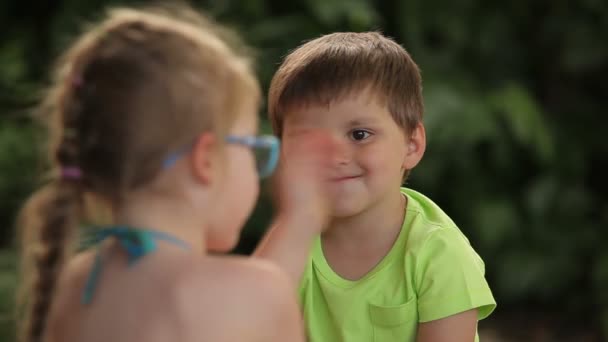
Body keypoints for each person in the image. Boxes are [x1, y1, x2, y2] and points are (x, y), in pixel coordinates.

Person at [17, 6, 336, 342]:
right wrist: (303, 217)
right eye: (252, 146)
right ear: (206, 160)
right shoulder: (254, 294)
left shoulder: (77, 283)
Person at [255, 31, 496, 341]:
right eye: (308, 141)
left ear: (411, 145)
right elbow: (244, 320)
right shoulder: (294, 242)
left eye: (359, 134)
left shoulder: (438, 254)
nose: (334, 156)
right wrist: (295, 220)